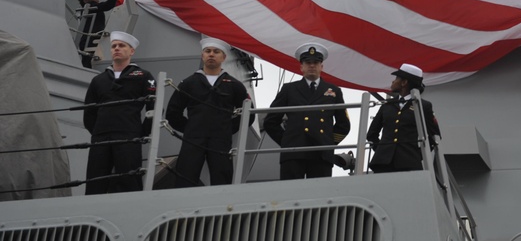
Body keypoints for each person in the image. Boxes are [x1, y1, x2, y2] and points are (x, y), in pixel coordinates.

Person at [165, 38, 251, 187]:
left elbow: (249, 113)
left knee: (222, 179)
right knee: (186, 177)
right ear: (202, 55)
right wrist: (190, 128)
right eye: (208, 51)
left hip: (221, 140)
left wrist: (228, 129)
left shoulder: (235, 86)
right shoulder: (188, 83)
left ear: (223, 57)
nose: (211, 54)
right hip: (193, 139)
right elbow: (173, 112)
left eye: (216, 52)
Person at [263, 43, 353, 179]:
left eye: (316, 62)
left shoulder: (334, 91)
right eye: (308, 62)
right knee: (290, 194)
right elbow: (270, 121)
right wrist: (287, 142)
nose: (312, 65)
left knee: (319, 196)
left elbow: (343, 125)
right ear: (301, 67)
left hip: (321, 154)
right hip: (293, 153)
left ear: (321, 66)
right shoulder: (289, 89)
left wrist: (328, 143)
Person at [83, 31, 156, 194]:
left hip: (129, 135)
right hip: (101, 137)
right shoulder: (98, 80)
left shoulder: (144, 76)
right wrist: (97, 132)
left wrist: (143, 132)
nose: (116, 48)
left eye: (122, 46)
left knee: (129, 179)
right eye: (114, 46)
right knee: (96, 180)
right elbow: (89, 111)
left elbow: (154, 106)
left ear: (131, 51)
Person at [365, 63, 441, 173]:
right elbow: (372, 134)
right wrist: (382, 150)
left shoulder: (423, 105)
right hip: (382, 164)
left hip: (409, 163)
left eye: (396, 78)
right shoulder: (387, 105)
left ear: (404, 82)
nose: (393, 81)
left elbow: (434, 136)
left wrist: (418, 154)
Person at [76, 0, 121, 68]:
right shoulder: (90, 6)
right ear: (86, 0)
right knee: (89, 64)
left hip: (89, 40)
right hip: (91, 39)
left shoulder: (87, 10)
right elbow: (109, 4)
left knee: (88, 63)